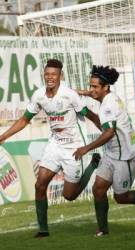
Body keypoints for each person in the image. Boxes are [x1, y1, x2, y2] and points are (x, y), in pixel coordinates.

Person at [0, 59, 101, 238]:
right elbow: (24, 120)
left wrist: (106, 132)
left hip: (74, 147)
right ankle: (43, 230)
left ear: (60, 76)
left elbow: (91, 115)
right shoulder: (39, 96)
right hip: (54, 145)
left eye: (53, 74)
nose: (50, 77)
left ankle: (93, 165)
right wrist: (3, 137)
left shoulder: (69, 95)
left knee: (69, 195)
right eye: (47, 74)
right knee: (40, 185)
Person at [73, 65, 135, 237]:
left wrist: (86, 148)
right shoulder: (111, 97)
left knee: (120, 197)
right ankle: (103, 229)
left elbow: (109, 133)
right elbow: (97, 99)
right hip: (112, 153)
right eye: (90, 86)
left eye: (95, 87)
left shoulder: (107, 106)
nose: (91, 89)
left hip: (126, 156)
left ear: (105, 87)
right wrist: (83, 92)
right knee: (98, 189)